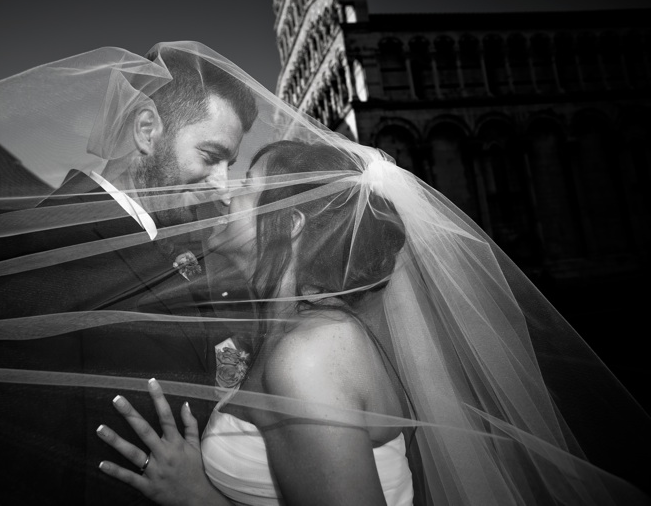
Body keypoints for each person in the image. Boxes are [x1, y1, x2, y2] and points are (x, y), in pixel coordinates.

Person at [0, 43, 649, 506]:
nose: (222, 189)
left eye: (239, 175)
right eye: (212, 157)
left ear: (291, 226)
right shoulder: (43, 250)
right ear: (143, 129)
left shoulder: (304, 339)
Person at [94, 140, 651, 505]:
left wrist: (200, 497)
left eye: (243, 189)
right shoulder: (309, 335)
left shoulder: (312, 354)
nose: (224, 194)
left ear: (288, 224)